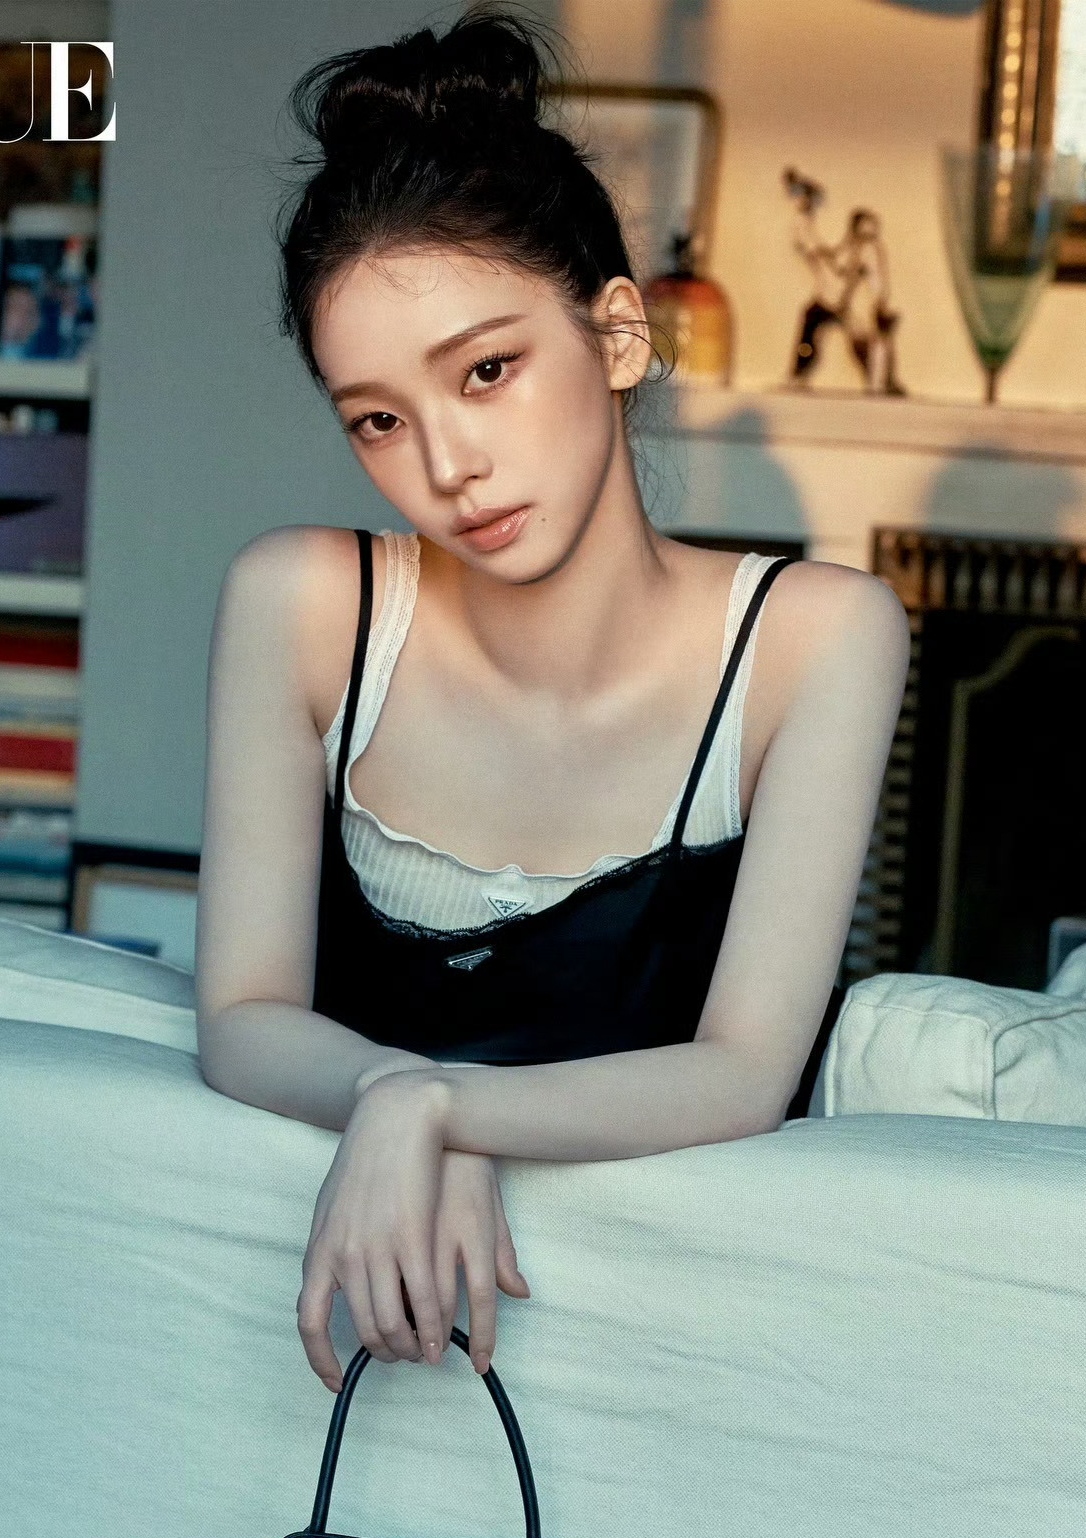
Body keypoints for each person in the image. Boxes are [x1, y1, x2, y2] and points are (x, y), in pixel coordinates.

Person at [195, 8, 909, 1397]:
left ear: (619, 334)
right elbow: (242, 1012)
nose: (447, 464)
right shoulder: (307, 604)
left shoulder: (817, 639)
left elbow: (745, 1071)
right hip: (333, 1378)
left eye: (486, 370)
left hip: (682, 1366)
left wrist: (439, 1108)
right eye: (379, 419)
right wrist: (395, 1102)